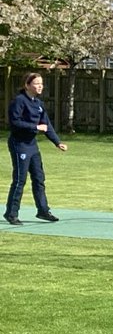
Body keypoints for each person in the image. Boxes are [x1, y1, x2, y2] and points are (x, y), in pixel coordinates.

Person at [5, 72, 68, 225]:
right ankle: (11, 213)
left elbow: (46, 125)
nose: (40, 86)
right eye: (37, 83)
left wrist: (57, 142)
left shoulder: (38, 104)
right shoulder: (19, 101)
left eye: (41, 83)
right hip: (19, 144)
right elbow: (14, 123)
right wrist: (35, 127)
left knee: (39, 178)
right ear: (27, 85)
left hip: (32, 145)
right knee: (20, 180)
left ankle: (43, 211)